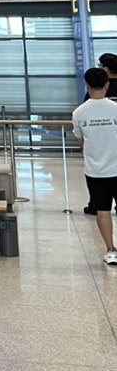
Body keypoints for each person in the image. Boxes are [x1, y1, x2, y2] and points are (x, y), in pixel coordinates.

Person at [72, 67, 117, 265]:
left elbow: (80, 140)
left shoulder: (79, 112)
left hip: (95, 170)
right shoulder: (115, 108)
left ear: (86, 85)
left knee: (103, 210)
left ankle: (111, 250)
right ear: (107, 85)